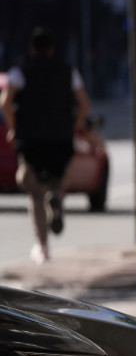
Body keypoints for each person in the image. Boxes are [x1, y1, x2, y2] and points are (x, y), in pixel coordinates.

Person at [0, 27, 91, 264]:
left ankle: (42, 247)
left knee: (34, 191)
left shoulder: (20, 72)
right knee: (58, 180)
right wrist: (74, 126)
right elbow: (84, 104)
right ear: (51, 49)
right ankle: (58, 200)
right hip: (61, 137)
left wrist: (13, 126)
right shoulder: (69, 71)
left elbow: (5, 103)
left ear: (32, 48)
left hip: (30, 139)